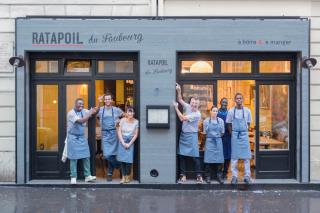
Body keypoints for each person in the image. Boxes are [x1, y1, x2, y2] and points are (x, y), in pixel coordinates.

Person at [173, 83, 203, 184]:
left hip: (192, 136)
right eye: (193, 103)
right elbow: (180, 99)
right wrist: (179, 90)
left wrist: (176, 108)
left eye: (196, 104)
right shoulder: (187, 106)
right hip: (184, 135)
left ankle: (199, 176)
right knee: (182, 156)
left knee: (195, 157)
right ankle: (183, 176)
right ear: (190, 102)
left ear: (198, 105)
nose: (194, 105)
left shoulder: (197, 114)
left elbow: (182, 118)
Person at [67, 98, 97, 184]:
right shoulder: (71, 113)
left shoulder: (84, 111)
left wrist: (98, 102)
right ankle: (73, 177)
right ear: (75, 104)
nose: (81, 105)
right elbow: (81, 121)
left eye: (82, 104)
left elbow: (94, 111)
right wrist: (90, 113)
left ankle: (87, 176)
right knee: (73, 158)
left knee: (86, 156)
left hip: (82, 137)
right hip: (73, 137)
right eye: (79, 104)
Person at [97, 93, 124, 181]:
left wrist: (120, 122)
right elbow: (94, 112)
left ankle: (110, 173)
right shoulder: (100, 110)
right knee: (107, 155)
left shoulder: (116, 110)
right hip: (104, 134)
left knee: (113, 154)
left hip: (114, 133)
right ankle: (119, 166)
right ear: (104, 100)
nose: (107, 101)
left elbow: (125, 115)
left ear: (111, 100)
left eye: (109, 99)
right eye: (106, 99)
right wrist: (98, 102)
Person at [226, 93, 252, 185]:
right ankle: (234, 176)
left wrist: (244, 131)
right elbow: (228, 124)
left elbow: (248, 123)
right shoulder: (231, 111)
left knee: (246, 157)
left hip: (244, 135)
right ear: (235, 100)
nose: (239, 100)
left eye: (240, 98)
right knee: (234, 157)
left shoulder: (248, 111)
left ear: (242, 99)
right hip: (235, 135)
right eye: (237, 98)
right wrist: (232, 133)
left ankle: (247, 176)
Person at [117, 107, 139, 184]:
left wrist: (129, 144)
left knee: (129, 161)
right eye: (128, 112)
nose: (130, 113)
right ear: (126, 113)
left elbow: (136, 134)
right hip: (122, 140)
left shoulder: (136, 122)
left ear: (134, 113)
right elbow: (119, 132)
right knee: (122, 161)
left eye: (131, 112)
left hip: (130, 141)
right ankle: (123, 177)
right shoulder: (122, 120)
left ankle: (127, 176)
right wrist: (122, 142)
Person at [203, 106, 225, 184]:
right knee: (208, 160)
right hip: (209, 141)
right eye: (213, 111)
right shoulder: (206, 121)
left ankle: (219, 176)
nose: (215, 112)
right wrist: (211, 137)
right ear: (210, 112)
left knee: (219, 160)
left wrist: (216, 137)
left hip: (218, 141)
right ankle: (208, 177)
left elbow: (222, 132)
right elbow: (204, 133)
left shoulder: (221, 121)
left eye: (216, 111)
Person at [217, 98, 232, 180]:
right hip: (219, 136)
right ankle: (219, 171)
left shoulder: (230, 113)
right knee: (220, 154)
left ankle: (225, 172)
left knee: (228, 155)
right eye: (223, 102)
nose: (224, 104)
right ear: (220, 102)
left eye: (226, 102)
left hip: (228, 136)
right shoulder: (217, 112)